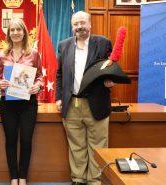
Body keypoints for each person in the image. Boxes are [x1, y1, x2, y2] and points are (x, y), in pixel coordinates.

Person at [56, 11, 114, 185]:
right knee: (76, 146)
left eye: (82, 23)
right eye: (76, 24)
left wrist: (111, 80)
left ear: (90, 24)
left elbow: (112, 68)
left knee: (98, 147)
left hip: (96, 103)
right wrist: (59, 97)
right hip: (71, 103)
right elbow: (59, 74)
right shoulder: (64, 45)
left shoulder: (103, 43)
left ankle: (95, 181)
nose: (79, 27)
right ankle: (78, 179)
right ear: (72, 27)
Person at [0, 18, 43, 185]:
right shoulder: (2, 54)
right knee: (10, 140)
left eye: (18, 29)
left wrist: (38, 85)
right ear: (8, 33)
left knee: (26, 140)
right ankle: (13, 177)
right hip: (8, 104)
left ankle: (23, 177)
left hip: (28, 104)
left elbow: (40, 77)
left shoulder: (34, 54)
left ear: (24, 32)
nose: (15, 33)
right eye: (12, 30)